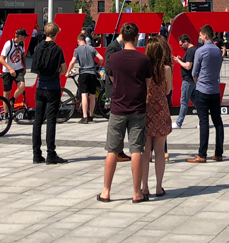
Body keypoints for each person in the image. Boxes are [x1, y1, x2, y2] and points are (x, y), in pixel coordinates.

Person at [99, 23, 152, 203]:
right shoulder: (144, 59)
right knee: (136, 149)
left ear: (122, 36)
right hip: (137, 108)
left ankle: (106, 191)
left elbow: (112, 78)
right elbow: (148, 83)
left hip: (118, 108)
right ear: (137, 37)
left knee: (112, 150)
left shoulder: (114, 58)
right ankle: (137, 193)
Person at [31, 22, 68, 165]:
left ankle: (36, 154)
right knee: (51, 121)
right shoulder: (58, 49)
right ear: (56, 33)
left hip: (40, 87)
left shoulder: (38, 47)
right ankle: (51, 154)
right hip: (53, 87)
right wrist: (57, 71)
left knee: (37, 120)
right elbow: (63, 70)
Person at [188, 25, 225, 162]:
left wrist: (198, 83)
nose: (199, 38)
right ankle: (218, 153)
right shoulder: (218, 51)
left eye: (200, 35)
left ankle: (202, 154)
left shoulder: (200, 51)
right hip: (215, 89)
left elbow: (194, 72)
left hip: (202, 89)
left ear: (206, 36)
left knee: (204, 122)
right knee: (217, 122)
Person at [141, 38, 173, 197]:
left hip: (146, 109)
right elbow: (168, 91)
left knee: (145, 150)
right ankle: (159, 187)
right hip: (161, 109)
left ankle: (144, 187)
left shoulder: (143, 68)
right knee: (160, 150)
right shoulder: (166, 69)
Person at [70, 32, 103, 123]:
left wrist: (68, 72)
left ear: (78, 41)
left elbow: (72, 62)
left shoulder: (77, 50)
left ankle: (85, 117)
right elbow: (101, 58)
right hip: (92, 74)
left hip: (83, 74)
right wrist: (98, 66)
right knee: (92, 95)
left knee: (84, 95)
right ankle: (91, 115)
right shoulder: (92, 48)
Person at [173, 34, 196, 130]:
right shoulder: (193, 50)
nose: (181, 47)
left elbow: (188, 66)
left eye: (181, 44)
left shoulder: (190, 51)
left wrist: (179, 61)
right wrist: (182, 60)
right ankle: (203, 119)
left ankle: (179, 122)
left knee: (184, 102)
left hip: (188, 80)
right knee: (195, 101)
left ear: (186, 42)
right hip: (192, 80)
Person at [1, 28, 28, 103]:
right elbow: (1, 59)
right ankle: (7, 109)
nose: (25, 38)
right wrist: (10, 69)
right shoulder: (9, 44)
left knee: (22, 86)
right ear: (20, 36)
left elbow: (23, 56)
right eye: (24, 36)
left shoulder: (22, 44)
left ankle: (12, 100)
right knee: (6, 93)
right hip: (7, 71)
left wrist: (24, 67)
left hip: (18, 69)